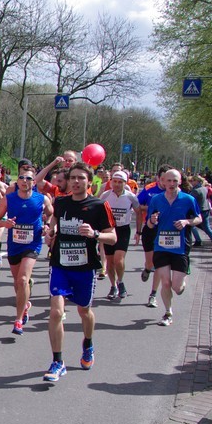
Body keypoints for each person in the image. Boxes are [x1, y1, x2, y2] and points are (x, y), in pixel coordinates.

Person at [41, 162, 116, 382]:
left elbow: (112, 237)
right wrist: (50, 232)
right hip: (60, 265)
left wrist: (95, 234)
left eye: (81, 178)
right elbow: (54, 222)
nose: (76, 181)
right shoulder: (61, 202)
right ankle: (57, 362)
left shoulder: (99, 205)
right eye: (73, 177)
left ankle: (88, 343)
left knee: (84, 311)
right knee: (56, 312)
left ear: (89, 181)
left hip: (84, 268)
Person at [0, 163, 53, 335]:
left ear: (34, 182)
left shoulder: (42, 199)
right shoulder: (9, 199)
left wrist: (47, 225)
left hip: (33, 243)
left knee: (23, 279)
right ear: (17, 181)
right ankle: (25, 305)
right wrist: (5, 223)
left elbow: (51, 213)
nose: (25, 181)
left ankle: (18, 320)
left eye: (28, 178)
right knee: (17, 281)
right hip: (14, 244)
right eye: (21, 178)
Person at [146, 169, 202, 327]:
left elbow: (198, 218)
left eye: (175, 181)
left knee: (177, 288)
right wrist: (152, 220)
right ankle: (168, 312)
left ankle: (182, 279)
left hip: (180, 247)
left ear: (180, 181)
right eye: (169, 180)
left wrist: (186, 222)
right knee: (165, 283)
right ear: (163, 182)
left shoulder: (188, 199)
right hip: (161, 246)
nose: (171, 184)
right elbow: (149, 224)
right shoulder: (156, 199)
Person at [99, 171, 141, 300]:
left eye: (120, 182)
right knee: (110, 261)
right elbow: (97, 211)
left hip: (123, 230)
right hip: (109, 230)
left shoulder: (131, 197)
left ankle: (120, 282)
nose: (117, 184)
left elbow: (139, 213)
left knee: (119, 259)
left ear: (125, 183)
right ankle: (113, 286)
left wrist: (138, 232)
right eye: (115, 181)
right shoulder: (105, 195)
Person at [137, 165, 171, 308]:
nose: (166, 182)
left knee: (159, 264)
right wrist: (150, 208)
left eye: (168, 179)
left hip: (165, 232)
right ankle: (147, 268)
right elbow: (138, 205)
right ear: (158, 178)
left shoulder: (174, 192)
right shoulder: (150, 189)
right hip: (150, 230)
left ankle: (153, 294)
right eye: (163, 179)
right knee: (150, 263)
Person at [189, 175, 212, 250]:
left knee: (193, 225)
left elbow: (190, 200)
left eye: (193, 181)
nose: (191, 182)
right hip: (206, 209)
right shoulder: (204, 188)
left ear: (196, 181)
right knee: (205, 227)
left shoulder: (196, 191)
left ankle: (200, 240)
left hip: (200, 210)